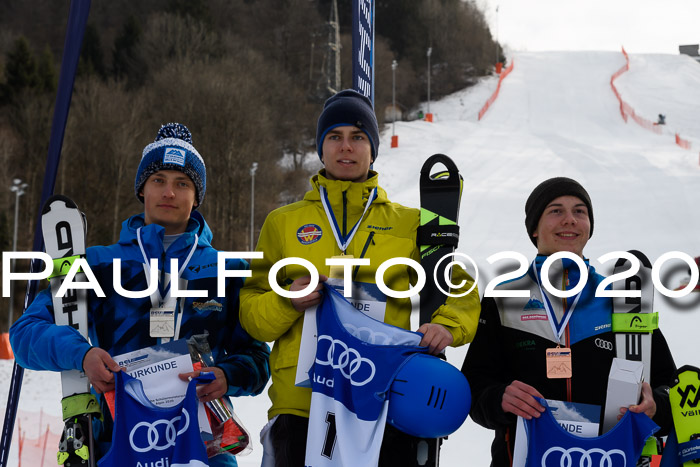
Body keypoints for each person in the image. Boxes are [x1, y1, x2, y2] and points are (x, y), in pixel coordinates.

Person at [239, 89, 481, 466]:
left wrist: (447, 326)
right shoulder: (282, 223)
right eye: (334, 137)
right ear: (320, 148)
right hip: (301, 403)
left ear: (373, 149)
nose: (345, 147)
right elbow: (251, 313)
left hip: (384, 402)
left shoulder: (410, 223)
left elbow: (461, 287)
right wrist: (286, 299)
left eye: (357, 137)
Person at [10, 123, 270, 466]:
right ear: (142, 190)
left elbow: (258, 359)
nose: (169, 193)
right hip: (118, 445)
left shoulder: (227, 272)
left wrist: (227, 376)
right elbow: (25, 335)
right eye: (158, 180)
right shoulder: (100, 264)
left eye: (182, 184)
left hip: (202, 449)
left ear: (197, 197)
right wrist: (81, 355)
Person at [461, 177, 677, 466]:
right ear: (534, 229)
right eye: (555, 211)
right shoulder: (503, 297)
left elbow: (668, 385)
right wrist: (499, 398)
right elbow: (475, 386)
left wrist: (656, 407)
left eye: (580, 211)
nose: (570, 220)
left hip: (609, 457)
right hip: (524, 458)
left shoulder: (620, 298)